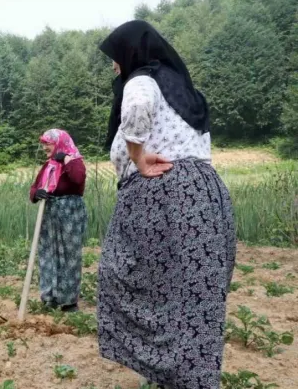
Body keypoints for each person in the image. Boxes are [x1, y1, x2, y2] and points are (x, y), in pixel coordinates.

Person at [96, 20, 236, 389]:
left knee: (130, 280)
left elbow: (138, 107)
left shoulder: (141, 81)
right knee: (193, 296)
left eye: (114, 58)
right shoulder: (185, 91)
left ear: (131, 54)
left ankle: (173, 372)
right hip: (204, 195)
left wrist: (138, 155)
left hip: (165, 197)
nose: (113, 66)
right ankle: (189, 377)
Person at [29, 129, 87, 312]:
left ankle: (69, 301)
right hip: (50, 211)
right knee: (48, 253)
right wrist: (36, 194)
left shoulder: (75, 161)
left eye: (48, 143)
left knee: (69, 255)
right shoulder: (48, 166)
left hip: (69, 212)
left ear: (60, 144)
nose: (45, 146)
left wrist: (66, 160)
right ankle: (50, 297)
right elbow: (35, 187)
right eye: (44, 143)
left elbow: (78, 179)